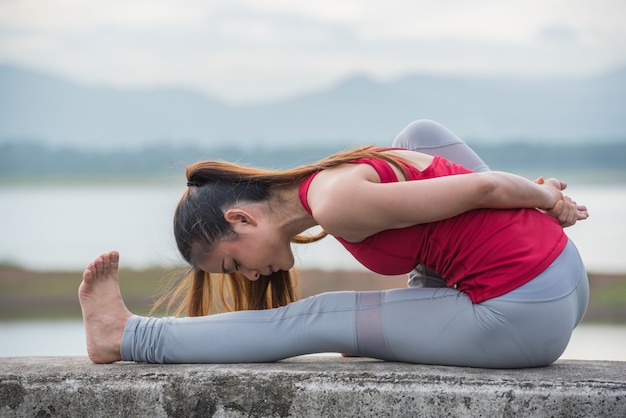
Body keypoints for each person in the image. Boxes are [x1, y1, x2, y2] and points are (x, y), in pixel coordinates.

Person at [79, 119, 589, 367]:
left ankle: (126, 337)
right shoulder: (343, 175)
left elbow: (483, 188)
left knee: (319, 316)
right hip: (567, 278)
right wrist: (419, 315)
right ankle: (429, 302)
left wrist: (542, 196)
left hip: (523, 314)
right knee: (417, 134)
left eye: (233, 263)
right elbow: (428, 134)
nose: (251, 277)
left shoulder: (335, 202)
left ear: (241, 218)